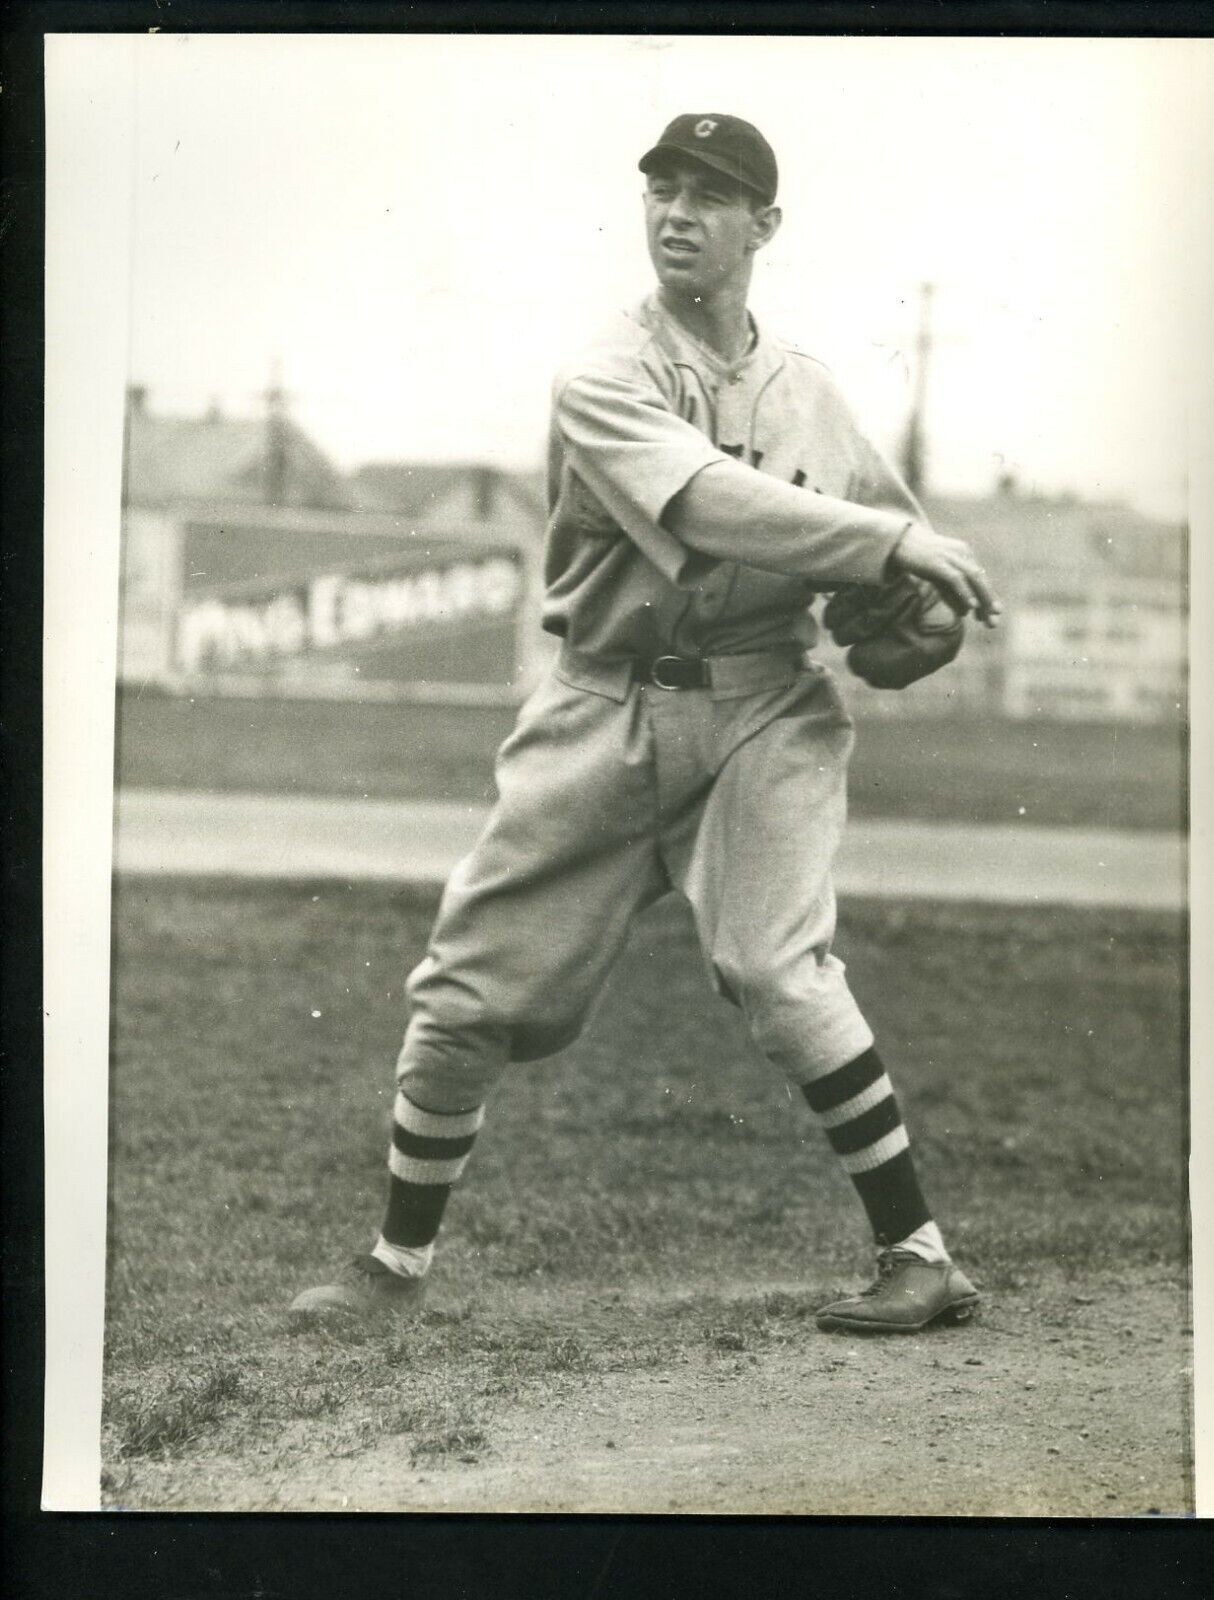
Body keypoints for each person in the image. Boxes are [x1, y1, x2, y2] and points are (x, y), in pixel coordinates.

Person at [291, 113, 1002, 1334]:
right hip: (602, 702)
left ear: (763, 227)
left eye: (711, 195)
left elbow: (883, 598)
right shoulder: (603, 373)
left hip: (766, 703)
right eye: (663, 190)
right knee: (465, 993)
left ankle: (920, 1254)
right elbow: (714, 503)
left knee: (780, 969)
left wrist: (904, 619)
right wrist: (890, 539)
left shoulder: (813, 396)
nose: (677, 213)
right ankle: (391, 1270)